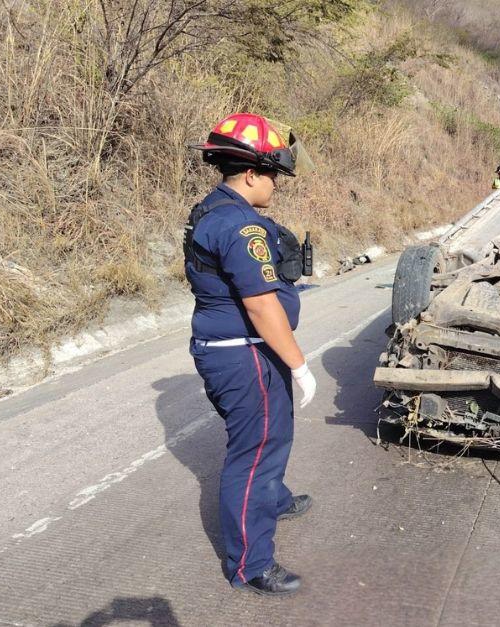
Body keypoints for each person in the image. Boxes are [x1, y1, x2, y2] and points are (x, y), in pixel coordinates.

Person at [185, 113, 316, 596]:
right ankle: (251, 564)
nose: (277, 186)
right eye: (274, 176)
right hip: (245, 355)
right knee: (256, 451)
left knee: (266, 438)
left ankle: (273, 498)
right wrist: (299, 365)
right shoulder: (239, 226)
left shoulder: (210, 209)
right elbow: (261, 306)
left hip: (226, 348)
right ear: (252, 175)